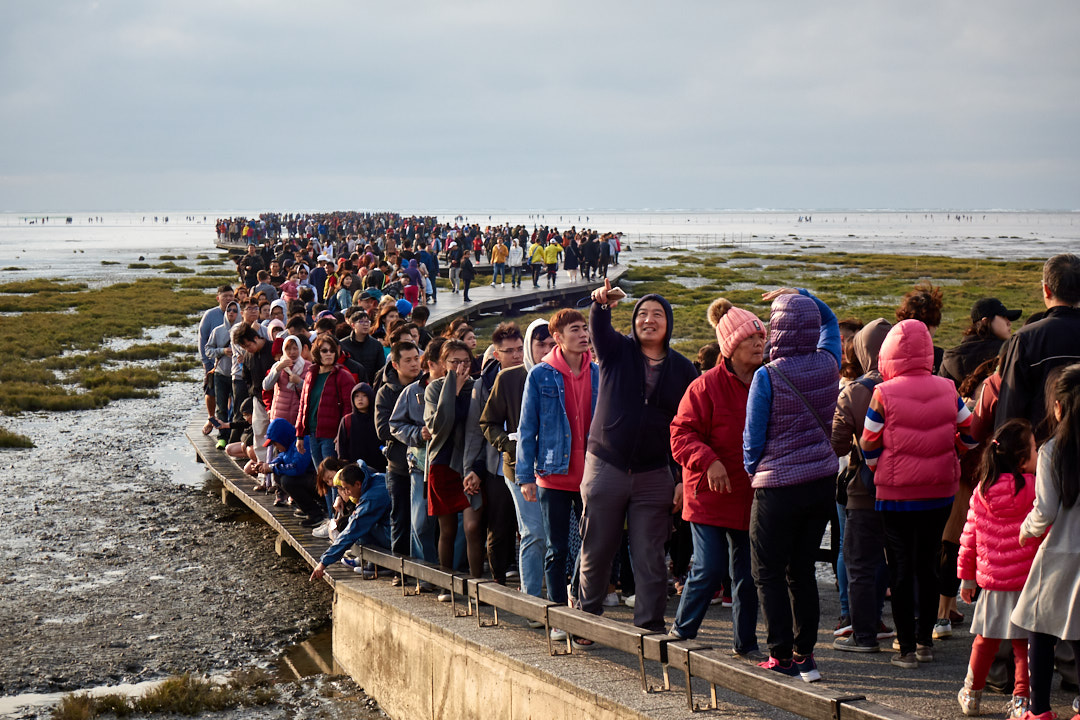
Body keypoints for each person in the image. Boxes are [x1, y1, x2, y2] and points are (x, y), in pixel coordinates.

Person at [578, 281, 698, 633]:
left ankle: (650, 627)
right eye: (642, 314)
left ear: (668, 324)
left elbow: (687, 427)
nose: (649, 320)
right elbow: (599, 329)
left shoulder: (682, 369)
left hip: (654, 472)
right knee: (597, 549)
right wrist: (600, 305)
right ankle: (586, 618)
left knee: (650, 557)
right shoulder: (617, 351)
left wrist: (680, 480)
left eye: (657, 314)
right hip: (606, 465)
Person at [861, 319, 977, 670]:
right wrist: (952, 452)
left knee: (899, 568)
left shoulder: (884, 392)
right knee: (927, 564)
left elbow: (868, 441)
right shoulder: (947, 388)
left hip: (895, 496)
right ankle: (926, 641)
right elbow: (970, 433)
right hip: (939, 490)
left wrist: (878, 468)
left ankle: (906, 649)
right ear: (928, 350)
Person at [744, 288, 840, 683]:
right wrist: (805, 295)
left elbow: (752, 438)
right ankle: (806, 656)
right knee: (801, 569)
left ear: (775, 329)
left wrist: (755, 472)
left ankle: (780, 655)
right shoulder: (829, 363)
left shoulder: (768, 375)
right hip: (821, 481)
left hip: (778, 485)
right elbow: (831, 322)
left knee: (766, 571)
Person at [668, 298, 764, 661]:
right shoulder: (704, 387)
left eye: (761, 336)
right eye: (749, 338)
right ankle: (681, 632)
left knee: (748, 576)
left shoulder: (768, 381)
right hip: (709, 494)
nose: (758, 343)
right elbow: (680, 435)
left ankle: (746, 645)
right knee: (708, 569)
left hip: (751, 495)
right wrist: (709, 461)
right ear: (729, 346)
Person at [517, 310, 599, 644]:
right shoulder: (540, 375)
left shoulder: (597, 372)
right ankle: (557, 614)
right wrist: (525, 476)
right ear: (559, 336)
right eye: (574, 330)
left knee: (591, 544)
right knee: (556, 548)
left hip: (593, 475)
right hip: (553, 474)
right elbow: (527, 429)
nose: (583, 334)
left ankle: (577, 601)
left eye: (585, 328)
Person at [955, 419, 1040, 718]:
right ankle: (1020, 700)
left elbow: (969, 536)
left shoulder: (982, 491)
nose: (1038, 452)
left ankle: (971, 694)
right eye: (1033, 448)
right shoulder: (1033, 488)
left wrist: (966, 578)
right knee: (1022, 644)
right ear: (1020, 459)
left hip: (991, 583)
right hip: (1026, 580)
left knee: (984, 641)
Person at [1011, 364, 1080, 720]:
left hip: (1060, 552)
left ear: (1058, 407)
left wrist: (1026, 529)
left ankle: (1039, 710)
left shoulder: (1053, 450)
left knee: (1040, 627)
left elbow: (1045, 509)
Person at [830, 319, 894, 653]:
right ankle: (916, 640)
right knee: (904, 560)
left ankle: (859, 627)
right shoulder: (937, 385)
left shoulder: (856, 390)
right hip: (920, 491)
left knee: (855, 558)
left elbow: (838, 444)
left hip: (864, 487)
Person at [480, 320, 555, 605]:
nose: (546, 350)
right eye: (540, 345)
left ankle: (559, 597)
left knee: (556, 535)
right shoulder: (510, 378)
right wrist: (511, 444)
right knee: (533, 532)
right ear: (529, 347)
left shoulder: (565, 374)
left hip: (558, 467)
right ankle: (531, 599)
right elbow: (488, 423)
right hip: (519, 468)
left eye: (551, 345)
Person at [462, 323, 523, 586]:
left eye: (520, 349)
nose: (517, 355)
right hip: (497, 464)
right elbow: (477, 429)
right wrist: (472, 468)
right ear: (496, 354)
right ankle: (498, 581)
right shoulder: (483, 384)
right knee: (499, 526)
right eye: (509, 351)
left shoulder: (534, 374)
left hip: (531, 465)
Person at [424, 340, 486, 592]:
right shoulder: (434, 389)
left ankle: (478, 587)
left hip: (470, 465)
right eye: (454, 362)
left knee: (472, 526)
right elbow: (439, 426)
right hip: (442, 464)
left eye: (465, 362)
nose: (461, 367)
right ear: (442, 364)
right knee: (446, 530)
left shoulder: (478, 387)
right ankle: (446, 585)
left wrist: (477, 469)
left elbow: (483, 429)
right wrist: (453, 388)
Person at [997, 253, 1080, 435]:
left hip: (1040, 450)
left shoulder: (1026, 338)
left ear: (1046, 290)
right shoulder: (1026, 338)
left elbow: (1010, 411)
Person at [295, 334, 356, 518]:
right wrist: (299, 435)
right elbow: (303, 406)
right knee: (324, 480)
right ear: (317, 353)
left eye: (332, 350)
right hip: (314, 434)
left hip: (332, 435)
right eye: (324, 351)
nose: (329, 354)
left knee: (335, 480)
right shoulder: (311, 375)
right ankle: (331, 519)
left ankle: (337, 521)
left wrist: (343, 433)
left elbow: (349, 408)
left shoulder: (342, 375)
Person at [374, 341, 423, 559]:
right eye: (408, 360)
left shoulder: (428, 386)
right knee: (401, 516)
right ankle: (401, 568)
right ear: (395, 364)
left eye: (416, 358)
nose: (414, 364)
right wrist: (415, 430)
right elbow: (383, 429)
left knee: (424, 519)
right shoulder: (386, 392)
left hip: (425, 464)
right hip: (399, 465)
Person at [309, 462, 392, 580]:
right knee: (355, 522)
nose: (346, 493)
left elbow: (351, 531)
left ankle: (380, 565)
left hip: (393, 535)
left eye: (347, 488)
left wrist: (323, 563)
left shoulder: (371, 498)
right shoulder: (377, 478)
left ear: (358, 484)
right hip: (398, 528)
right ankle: (372, 562)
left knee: (356, 529)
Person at [940, 298, 1021, 390]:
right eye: (1003, 317)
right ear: (985, 321)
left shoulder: (951, 358)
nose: (1009, 323)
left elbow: (941, 395)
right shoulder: (1008, 353)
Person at [256, 417, 322, 527]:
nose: (275, 446)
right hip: (310, 481)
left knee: (287, 481)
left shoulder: (302, 442)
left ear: (282, 438)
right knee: (279, 476)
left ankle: (316, 514)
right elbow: (282, 457)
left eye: (275, 443)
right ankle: (306, 507)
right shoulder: (289, 444)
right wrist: (268, 466)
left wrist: (272, 468)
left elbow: (297, 468)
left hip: (319, 484)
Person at [336, 382, 386, 472]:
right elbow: (341, 446)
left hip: (379, 467)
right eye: (357, 396)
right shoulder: (347, 420)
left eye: (364, 395)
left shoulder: (378, 417)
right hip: (355, 469)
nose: (360, 399)